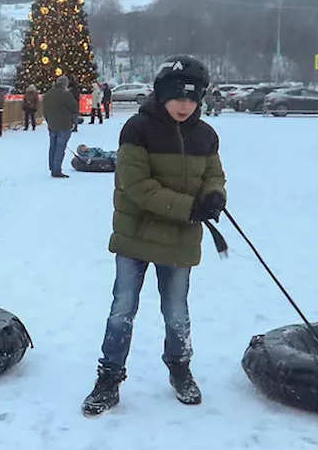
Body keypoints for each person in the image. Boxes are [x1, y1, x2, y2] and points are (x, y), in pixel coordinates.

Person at [82, 56, 226, 416]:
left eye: (192, 98)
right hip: (136, 235)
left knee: (177, 311)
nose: (184, 105)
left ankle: (179, 367)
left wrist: (214, 196)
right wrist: (188, 207)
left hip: (179, 239)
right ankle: (109, 376)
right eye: (178, 96)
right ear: (162, 94)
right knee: (122, 310)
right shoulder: (137, 129)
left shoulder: (205, 135)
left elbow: (214, 175)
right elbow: (135, 186)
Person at [43, 76, 79, 178]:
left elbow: (45, 110)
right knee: (60, 148)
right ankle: (57, 169)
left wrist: (49, 120)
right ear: (65, 84)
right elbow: (74, 107)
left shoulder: (48, 94)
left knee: (52, 147)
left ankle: (52, 167)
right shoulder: (65, 94)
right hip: (64, 124)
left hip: (52, 124)